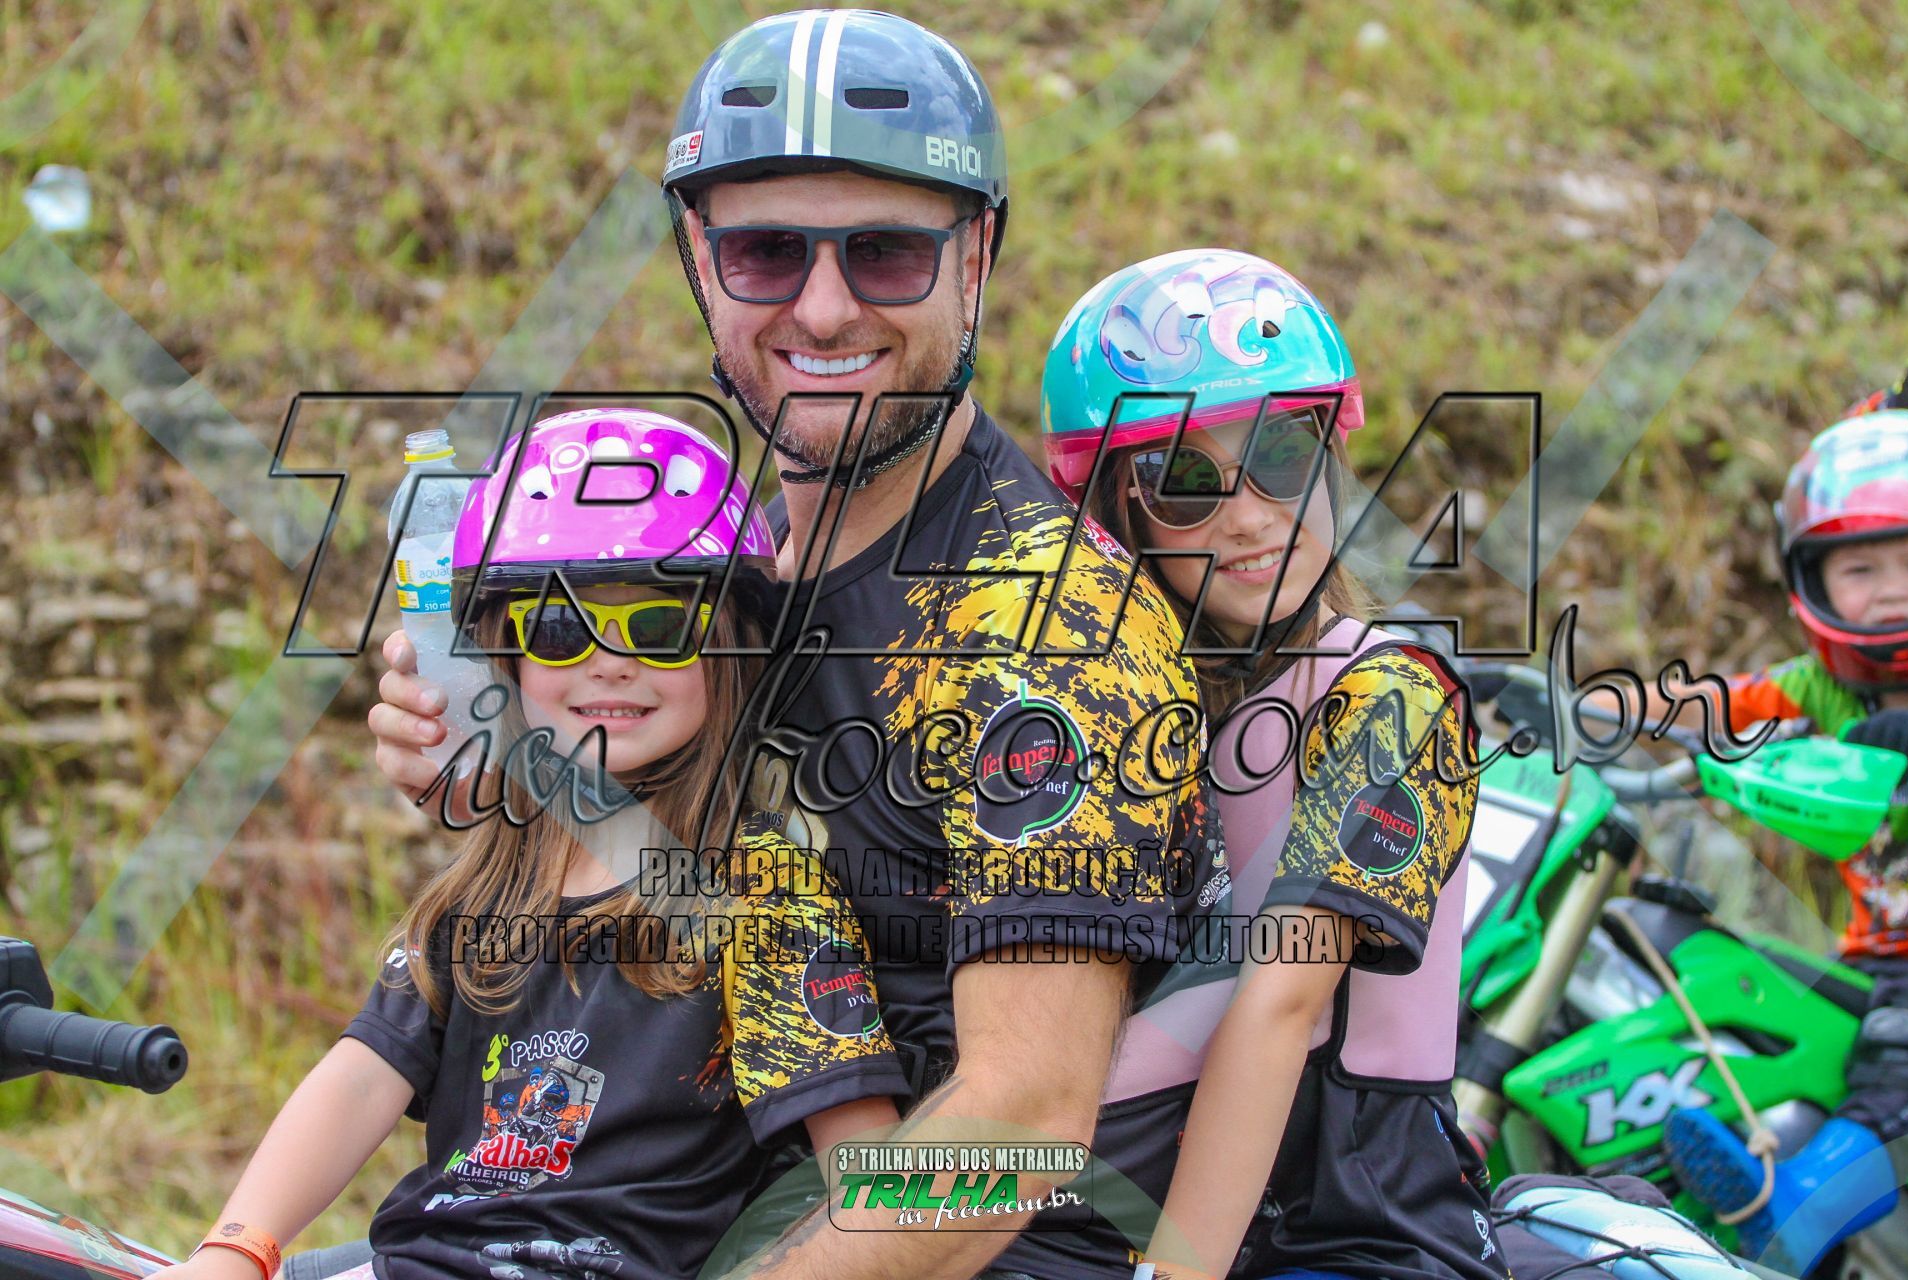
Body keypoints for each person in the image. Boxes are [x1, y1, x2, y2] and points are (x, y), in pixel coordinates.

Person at [371, 12, 1216, 1280]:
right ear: (698, 259)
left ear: (976, 257)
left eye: (886, 252)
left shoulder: (1038, 626)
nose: (823, 309)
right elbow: (702, 875)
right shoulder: (732, 568)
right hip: (665, 1218)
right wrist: (518, 769)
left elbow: (1023, 1124)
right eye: (767, 251)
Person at [161, 409, 908, 1280]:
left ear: (729, 647)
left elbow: (865, 1169)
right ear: (500, 656)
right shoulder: (490, 877)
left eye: (659, 627)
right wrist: (238, 1247)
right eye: (558, 628)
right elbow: (363, 1075)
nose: (608, 662)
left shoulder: (759, 894)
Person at [1041, 249, 1505, 1280]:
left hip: (1353, 1221)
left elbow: (1283, 1004)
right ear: (1120, 510)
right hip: (1160, 1185)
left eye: (1282, 456)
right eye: (1184, 481)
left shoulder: (1393, 695)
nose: (1249, 515)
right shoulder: (1150, 701)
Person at [1658, 408, 1908, 1277]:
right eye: (1862, 568)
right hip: (1873, 956)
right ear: (1813, 578)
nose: (1894, 590)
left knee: (1902, 1055)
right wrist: (1582, 707)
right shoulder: (1820, 685)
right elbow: (1713, 704)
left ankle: (1796, 1212)